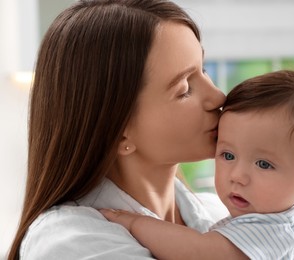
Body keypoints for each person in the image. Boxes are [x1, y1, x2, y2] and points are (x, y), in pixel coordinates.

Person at [8, 0, 227, 259]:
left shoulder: (221, 213)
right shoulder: (72, 243)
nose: (218, 97)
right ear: (119, 130)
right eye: (184, 89)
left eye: (203, 70)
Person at [101, 70, 294, 260]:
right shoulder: (268, 217)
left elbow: (200, 253)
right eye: (227, 155)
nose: (237, 176)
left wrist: (135, 223)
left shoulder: (275, 230)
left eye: (263, 164)